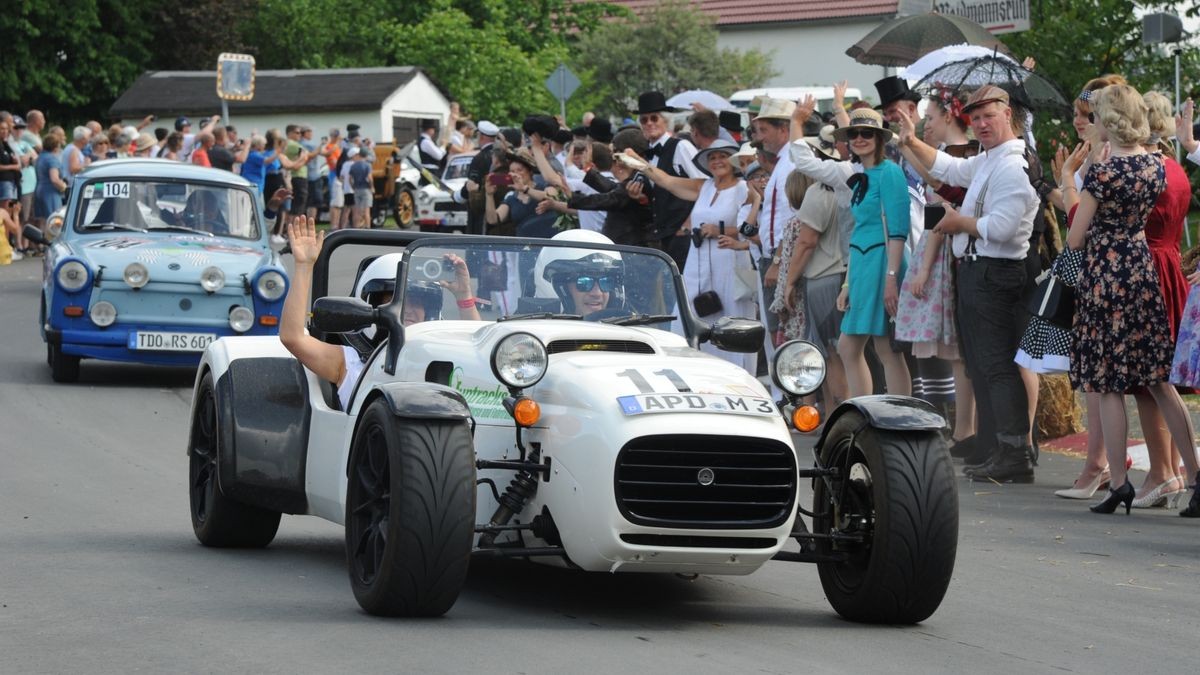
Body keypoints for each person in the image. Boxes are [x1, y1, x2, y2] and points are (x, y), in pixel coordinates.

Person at [1058, 84, 1199, 516]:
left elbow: (1075, 237)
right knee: (1159, 377)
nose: (1092, 121)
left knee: (1108, 381)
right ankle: (1194, 475)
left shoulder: (1103, 174)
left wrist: (1077, 187)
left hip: (1106, 273)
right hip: (1142, 271)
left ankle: (1119, 482)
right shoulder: (1157, 166)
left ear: (1109, 121)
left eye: (1096, 115)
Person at [279, 216, 480, 409]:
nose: (408, 307)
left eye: (418, 300)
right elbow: (293, 338)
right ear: (371, 305)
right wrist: (304, 267)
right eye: (395, 299)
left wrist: (464, 296)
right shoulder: (349, 362)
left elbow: (479, 354)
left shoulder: (443, 359)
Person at [894, 87, 978, 457]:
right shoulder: (952, 155)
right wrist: (908, 145)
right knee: (956, 349)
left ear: (948, 116)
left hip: (946, 250)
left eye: (930, 117)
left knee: (959, 348)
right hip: (942, 246)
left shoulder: (961, 155)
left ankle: (966, 429)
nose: (928, 123)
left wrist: (924, 268)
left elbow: (939, 215)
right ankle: (964, 427)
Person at [636, 139, 756, 370]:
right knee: (687, 312)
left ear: (732, 161)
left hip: (728, 260)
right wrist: (639, 163)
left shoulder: (743, 188)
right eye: (712, 157)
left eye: (722, 156)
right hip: (697, 261)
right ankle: (689, 368)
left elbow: (751, 227)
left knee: (729, 317)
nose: (717, 161)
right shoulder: (705, 186)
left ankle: (734, 371)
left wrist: (719, 230)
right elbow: (667, 181)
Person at [635, 91, 704, 272]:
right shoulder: (648, 154)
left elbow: (704, 185)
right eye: (644, 120)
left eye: (654, 118)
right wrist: (641, 195)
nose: (649, 123)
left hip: (683, 233)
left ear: (665, 120)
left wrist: (688, 224)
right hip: (663, 234)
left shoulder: (681, 146)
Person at [33, 133, 67, 232]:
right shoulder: (52, 159)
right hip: (50, 192)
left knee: (43, 220)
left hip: (39, 190)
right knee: (54, 219)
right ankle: (52, 242)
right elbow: (54, 179)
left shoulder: (40, 157)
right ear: (56, 146)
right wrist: (64, 187)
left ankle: (41, 244)